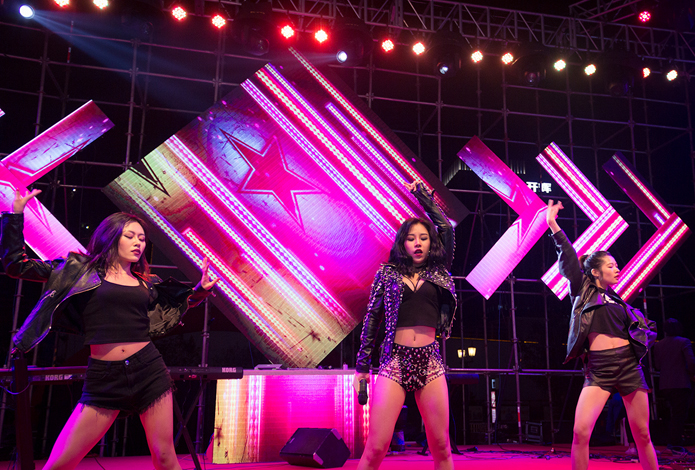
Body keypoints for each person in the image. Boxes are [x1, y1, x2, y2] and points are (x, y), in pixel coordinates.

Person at [1, 189, 218, 470]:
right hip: (104, 378)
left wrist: (200, 290)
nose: (138, 242)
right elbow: (17, 266)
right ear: (111, 237)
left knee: (165, 457)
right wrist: (15, 214)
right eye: (130, 236)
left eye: (142, 238)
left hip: (149, 370)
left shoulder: (146, 282)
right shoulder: (77, 269)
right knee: (59, 465)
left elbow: (174, 306)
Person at [546, 199, 658, 470]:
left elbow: (645, 329)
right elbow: (569, 258)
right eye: (611, 265)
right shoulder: (582, 290)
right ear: (595, 272)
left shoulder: (619, 301)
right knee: (580, 432)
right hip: (599, 368)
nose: (617, 269)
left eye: (616, 265)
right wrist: (553, 225)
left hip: (629, 367)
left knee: (642, 434)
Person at [354, 181, 456, 470]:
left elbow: (446, 228)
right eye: (411, 238)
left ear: (431, 243)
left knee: (441, 447)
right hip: (395, 361)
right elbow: (372, 319)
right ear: (403, 243)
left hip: (430, 361)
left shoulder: (439, 270)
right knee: (376, 447)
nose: (418, 243)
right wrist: (362, 368)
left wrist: (421, 195)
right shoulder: (387, 274)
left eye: (424, 238)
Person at [653, 318, 695, 449]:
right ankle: (676, 442)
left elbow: (657, 365)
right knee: (680, 414)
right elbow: (691, 362)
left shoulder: (658, 345)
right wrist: (692, 374)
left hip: (665, 384)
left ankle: (671, 440)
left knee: (670, 413)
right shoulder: (684, 341)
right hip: (681, 383)